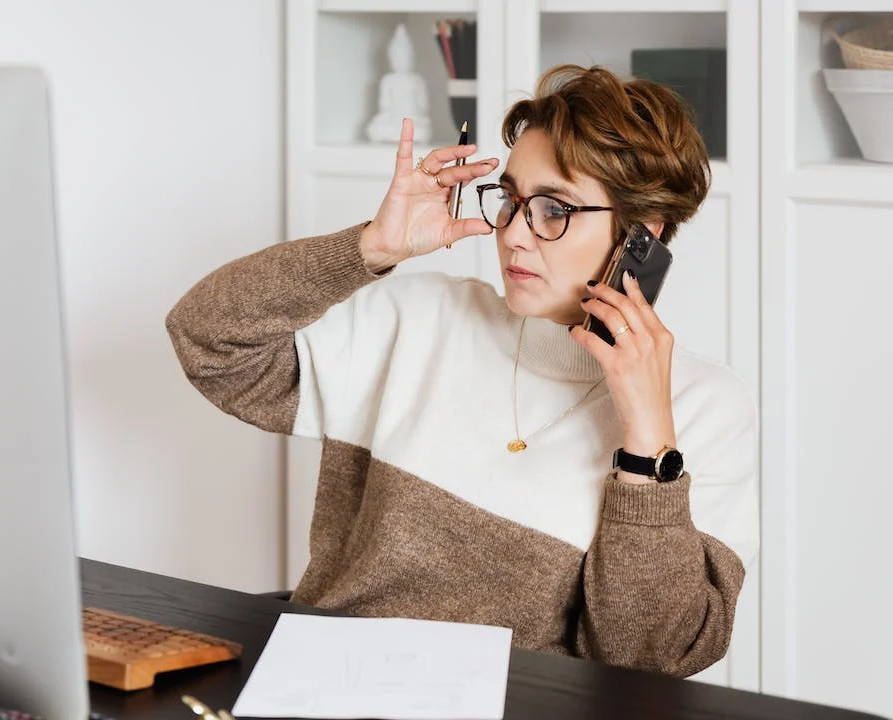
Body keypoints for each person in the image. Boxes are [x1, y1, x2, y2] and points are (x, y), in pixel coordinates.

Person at [166, 64, 758, 678]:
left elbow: (651, 658)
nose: (514, 235)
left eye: (554, 208)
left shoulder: (705, 407)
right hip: (325, 700)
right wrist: (369, 249)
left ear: (644, 235)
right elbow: (208, 340)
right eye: (511, 199)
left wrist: (646, 448)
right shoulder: (420, 317)